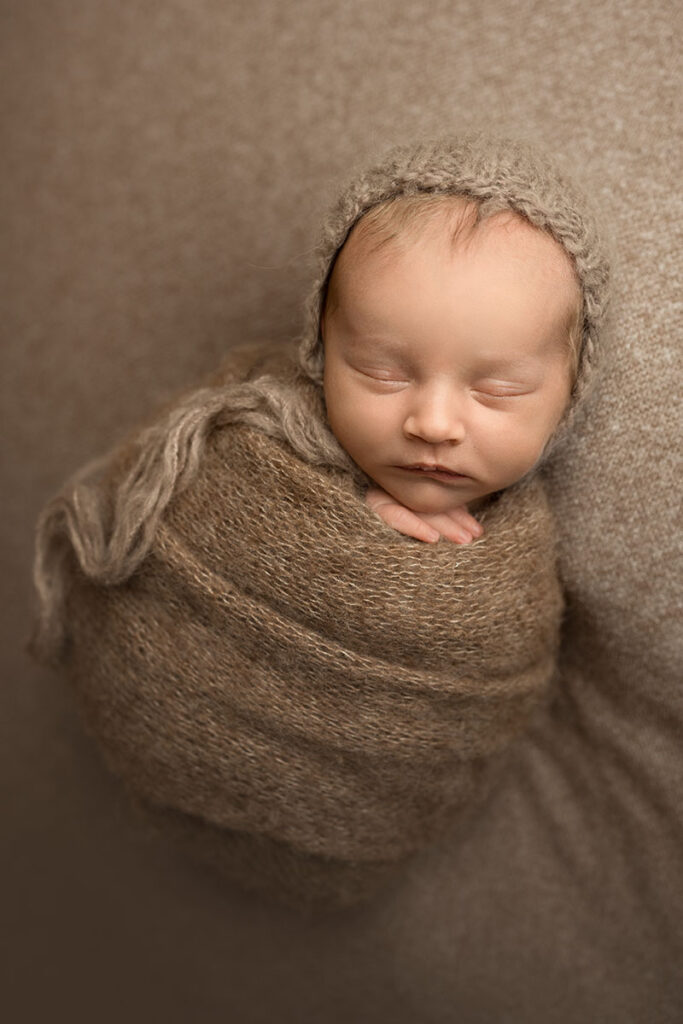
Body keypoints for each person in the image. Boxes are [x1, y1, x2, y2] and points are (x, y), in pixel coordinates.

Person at [318, 193, 583, 546]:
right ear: (321, 352)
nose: (433, 425)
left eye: (496, 390)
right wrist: (337, 518)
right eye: (383, 374)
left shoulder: (546, 527)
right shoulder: (265, 433)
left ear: (571, 392)